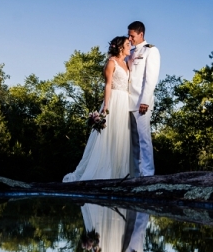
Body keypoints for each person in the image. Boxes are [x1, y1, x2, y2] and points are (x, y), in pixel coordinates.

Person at [63, 37, 132, 182]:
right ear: (120, 47)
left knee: (121, 137)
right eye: (127, 44)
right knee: (108, 136)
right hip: (114, 101)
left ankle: (119, 173)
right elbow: (108, 85)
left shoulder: (126, 63)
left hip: (125, 102)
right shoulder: (111, 62)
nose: (130, 46)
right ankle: (102, 173)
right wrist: (106, 106)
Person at [126, 21, 160, 177]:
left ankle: (147, 173)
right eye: (129, 35)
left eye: (132, 35)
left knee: (144, 140)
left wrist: (145, 100)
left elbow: (150, 78)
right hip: (128, 102)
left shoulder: (151, 51)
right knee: (132, 142)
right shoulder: (130, 52)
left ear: (141, 34)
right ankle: (135, 173)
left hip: (141, 102)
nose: (130, 38)